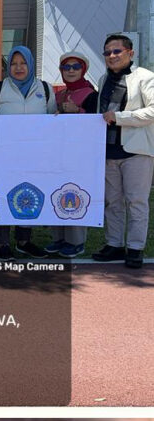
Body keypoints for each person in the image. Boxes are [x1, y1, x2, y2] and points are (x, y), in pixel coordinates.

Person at [0, 46, 56, 261]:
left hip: (35, 156)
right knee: (2, 194)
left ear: (31, 64)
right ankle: (2, 243)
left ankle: (24, 241)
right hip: (3, 156)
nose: (18, 67)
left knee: (29, 194)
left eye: (23, 63)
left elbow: (53, 119)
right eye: (14, 63)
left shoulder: (45, 88)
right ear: (8, 67)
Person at [91, 34, 154, 269]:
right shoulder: (102, 79)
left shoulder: (146, 78)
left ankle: (135, 248)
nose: (111, 56)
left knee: (136, 202)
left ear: (130, 53)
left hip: (136, 151)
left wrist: (120, 118)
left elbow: (153, 111)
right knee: (112, 202)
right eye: (107, 52)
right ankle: (114, 244)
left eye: (116, 51)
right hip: (108, 151)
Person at [44, 51, 98, 258]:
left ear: (83, 69)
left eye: (76, 67)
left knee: (74, 193)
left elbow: (97, 122)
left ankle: (76, 241)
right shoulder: (57, 95)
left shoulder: (91, 94)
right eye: (67, 67)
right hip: (57, 154)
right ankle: (58, 238)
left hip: (80, 156)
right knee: (55, 192)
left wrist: (78, 111)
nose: (71, 71)